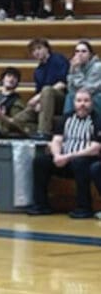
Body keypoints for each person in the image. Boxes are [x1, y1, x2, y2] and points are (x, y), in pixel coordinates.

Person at [27, 88, 101, 219]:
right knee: (40, 161)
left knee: (80, 163)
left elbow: (95, 148)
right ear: (74, 102)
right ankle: (40, 205)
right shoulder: (66, 117)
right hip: (64, 159)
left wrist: (68, 157)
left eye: (86, 101)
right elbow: (57, 140)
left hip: (84, 159)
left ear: (91, 103)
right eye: (79, 100)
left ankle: (83, 207)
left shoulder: (97, 119)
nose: (82, 104)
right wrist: (57, 155)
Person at [11, 38, 69, 139]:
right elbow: (38, 91)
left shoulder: (58, 59)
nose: (36, 52)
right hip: (45, 99)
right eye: (33, 51)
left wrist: (39, 97)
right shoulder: (38, 71)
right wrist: (38, 102)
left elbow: (63, 83)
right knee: (17, 120)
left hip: (61, 99)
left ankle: (44, 132)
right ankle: (36, 132)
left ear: (47, 49)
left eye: (39, 48)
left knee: (47, 90)